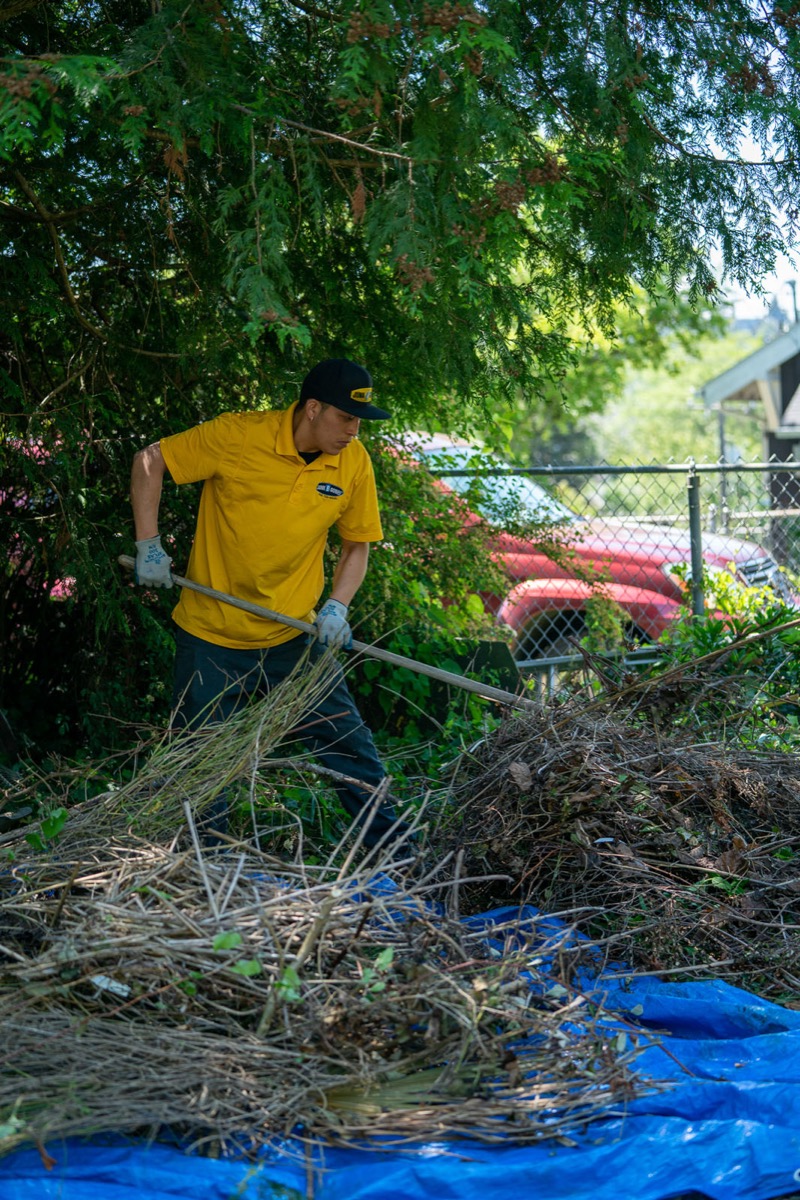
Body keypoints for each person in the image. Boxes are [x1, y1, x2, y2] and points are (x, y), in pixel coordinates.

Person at [129, 357, 406, 850]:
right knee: (201, 769)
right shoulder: (238, 436)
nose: (354, 431)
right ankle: (205, 875)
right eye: (346, 418)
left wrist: (337, 606)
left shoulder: (353, 461)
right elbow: (151, 461)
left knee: (352, 750)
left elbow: (357, 545)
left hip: (293, 639)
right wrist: (148, 544)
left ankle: (400, 860)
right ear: (313, 409)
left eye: (359, 421)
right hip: (210, 639)